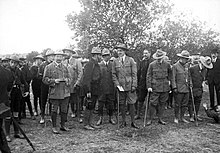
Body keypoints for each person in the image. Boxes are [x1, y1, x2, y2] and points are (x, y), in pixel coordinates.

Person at [43, 50, 71, 134]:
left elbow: (69, 78)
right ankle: (54, 127)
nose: (59, 58)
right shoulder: (49, 67)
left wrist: (67, 80)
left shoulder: (65, 67)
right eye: (57, 56)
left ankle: (62, 125)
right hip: (55, 92)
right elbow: (44, 79)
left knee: (64, 110)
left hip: (65, 92)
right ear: (54, 57)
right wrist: (54, 81)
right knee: (54, 110)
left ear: (63, 58)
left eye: (61, 56)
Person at [112, 43, 139, 129]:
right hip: (120, 87)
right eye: (118, 51)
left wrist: (134, 85)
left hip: (130, 86)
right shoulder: (115, 61)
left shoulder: (130, 60)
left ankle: (133, 122)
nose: (119, 52)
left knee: (131, 104)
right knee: (121, 104)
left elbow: (134, 74)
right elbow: (113, 75)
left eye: (121, 51)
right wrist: (117, 84)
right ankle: (123, 121)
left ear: (124, 51)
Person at [5, 56, 28, 141]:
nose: (13, 64)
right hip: (9, 93)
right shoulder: (6, 71)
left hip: (17, 92)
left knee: (16, 111)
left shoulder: (19, 71)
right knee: (7, 113)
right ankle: (7, 134)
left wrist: (27, 90)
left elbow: (24, 81)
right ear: (9, 62)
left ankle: (16, 132)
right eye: (12, 62)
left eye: (15, 62)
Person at [146, 50, 172, 126]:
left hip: (165, 86)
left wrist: (170, 82)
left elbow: (170, 74)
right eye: (158, 58)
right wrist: (149, 86)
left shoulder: (167, 64)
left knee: (162, 103)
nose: (159, 59)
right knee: (153, 103)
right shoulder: (152, 65)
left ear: (163, 57)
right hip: (155, 86)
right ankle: (150, 119)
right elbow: (148, 76)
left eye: (160, 57)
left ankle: (160, 118)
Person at [81, 47, 102, 130]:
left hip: (96, 88)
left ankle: (91, 123)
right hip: (91, 88)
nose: (100, 57)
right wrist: (88, 91)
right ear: (95, 55)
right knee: (89, 105)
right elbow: (87, 78)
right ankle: (86, 124)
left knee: (92, 106)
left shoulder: (96, 64)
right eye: (99, 55)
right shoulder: (90, 64)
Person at [188, 56, 213, 122]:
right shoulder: (192, 68)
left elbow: (203, 79)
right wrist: (190, 82)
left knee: (198, 102)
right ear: (202, 63)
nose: (206, 67)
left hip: (199, 88)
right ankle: (191, 116)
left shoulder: (205, 70)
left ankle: (195, 115)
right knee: (191, 102)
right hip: (192, 87)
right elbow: (188, 75)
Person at [96, 48, 116, 126]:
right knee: (100, 104)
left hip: (111, 88)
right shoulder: (99, 65)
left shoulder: (112, 64)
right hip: (101, 88)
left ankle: (111, 117)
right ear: (102, 56)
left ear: (110, 56)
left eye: (107, 55)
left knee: (111, 103)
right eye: (104, 55)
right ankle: (100, 118)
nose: (106, 57)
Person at [172, 50, 192, 124]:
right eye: (185, 58)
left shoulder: (187, 66)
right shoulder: (175, 66)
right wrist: (174, 87)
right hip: (178, 88)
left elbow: (189, 76)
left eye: (187, 59)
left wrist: (190, 84)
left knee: (185, 104)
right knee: (177, 104)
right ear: (181, 58)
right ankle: (176, 117)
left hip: (186, 88)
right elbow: (173, 78)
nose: (186, 60)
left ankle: (182, 117)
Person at [63, 49, 83, 122]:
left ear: (71, 53)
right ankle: (65, 117)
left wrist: (77, 83)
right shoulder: (63, 62)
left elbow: (80, 73)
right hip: (66, 86)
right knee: (66, 101)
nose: (66, 54)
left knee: (77, 101)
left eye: (67, 52)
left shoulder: (77, 62)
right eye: (65, 52)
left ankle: (79, 116)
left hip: (75, 85)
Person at [39, 49, 55, 124]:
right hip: (44, 85)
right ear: (47, 57)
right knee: (43, 100)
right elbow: (39, 76)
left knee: (51, 100)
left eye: (53, 56)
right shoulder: (43, 65)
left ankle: (51, 116)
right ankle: (42, 116)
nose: (52, 57)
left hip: (52, 85)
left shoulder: (54, 65)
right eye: (51, 56)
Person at [135, 49, 152, 120]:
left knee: (151, 100)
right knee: (140, 99)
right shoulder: (141, 62)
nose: (145, 55)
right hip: (142, 84)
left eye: (146, 53)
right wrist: (137, 83)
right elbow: (138, 73)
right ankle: (138, 114)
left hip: (150, 84)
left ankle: (150, 115)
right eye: (144, 53)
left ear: (150, 53)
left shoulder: (152, 62)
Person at [0, 64, 13, 153]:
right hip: (2, 104)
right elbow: (9, 87)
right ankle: (5, 149)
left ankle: (5, 149)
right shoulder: (6, 72)